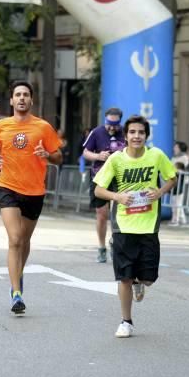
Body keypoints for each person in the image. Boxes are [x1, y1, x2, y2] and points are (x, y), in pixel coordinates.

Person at [93, 115, 177, 338]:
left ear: (146, 136)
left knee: (148, 278)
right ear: (125, 135)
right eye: (132, 132)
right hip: (123, 225)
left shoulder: (156, 155)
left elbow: (172, 177)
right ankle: (126, 321)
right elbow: (98, 190)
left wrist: (159, 192)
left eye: (141, 132)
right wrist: (117, 197)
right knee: (124, 278)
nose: (136, 136)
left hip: (149, 226)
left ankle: (141, 281)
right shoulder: (116, 160)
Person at [0, 81, 62, 314]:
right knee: (15, 239)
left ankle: (17, 275)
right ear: (11, 100)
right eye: (17, 95)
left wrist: (47, 154)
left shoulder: (43, 127)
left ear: (31, 100)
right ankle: (16, 292)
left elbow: (59, 156)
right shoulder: (1, 125)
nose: (21, 98)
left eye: (25, 95)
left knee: (25, 241)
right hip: (7, 186)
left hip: (34, 191)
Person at [82, 107, 125, 263]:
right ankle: (101, 247)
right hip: (99, 177)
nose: (112, 127)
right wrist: (98, 155)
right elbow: (85, 152)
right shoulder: (97, 132)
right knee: (102, 214)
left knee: (119, 214)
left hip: (120, 178)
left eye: (115, 124)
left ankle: (116, 243)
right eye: (109, 123)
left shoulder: (126, 133)